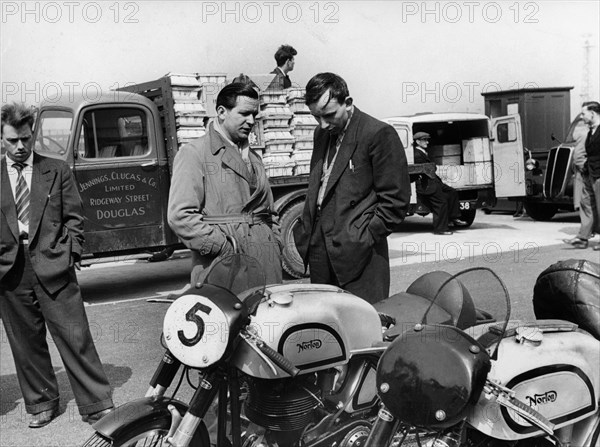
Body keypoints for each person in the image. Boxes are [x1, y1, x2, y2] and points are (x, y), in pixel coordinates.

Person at [0, 102, 114, 428]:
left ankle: (96, 404)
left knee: (74, 335)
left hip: (53, 263)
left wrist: (71, 254)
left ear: (33, 133)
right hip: (10, 269)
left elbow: (75, 218)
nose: (20, 146)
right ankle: (42, 403)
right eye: (11, 141)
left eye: (25, 138)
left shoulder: (56, 169)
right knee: (25, 341)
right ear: (1, 138)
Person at [293, 72, 410, 304]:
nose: (323, 124)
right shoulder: (322, 133)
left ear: (348, 103)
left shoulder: (377, 134)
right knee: (327, 326)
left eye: (329, 115)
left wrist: (363, 237)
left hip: (360, 255)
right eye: (316, 117)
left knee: (361, 328)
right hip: (320, 250)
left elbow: (395, 202)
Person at [168, 82, 283, 286]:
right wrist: (223, 247)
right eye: (244, 114)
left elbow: (269, 212)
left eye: (254, 115)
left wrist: (274, 242)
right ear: (221, 112)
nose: (251, 121)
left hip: (266, 263)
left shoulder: (254, 157)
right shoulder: (194, 153)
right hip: (223, 267)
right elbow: (180, 216)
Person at [412, 132, 468, 235]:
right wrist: (433, 167)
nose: (427, 142)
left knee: (452, 192)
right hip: (427, 185)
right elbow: (429, 168)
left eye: (427, 140)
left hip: (434, 181)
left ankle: (453, 217)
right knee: (441, 203)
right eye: (424, 140)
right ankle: (440, 229)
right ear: (417, 141)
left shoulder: (422, 152)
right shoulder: (417, 154)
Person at [564, 101, 600, 250]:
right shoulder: (591, 131)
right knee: (586, 204)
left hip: (598, 175)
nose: (582, 117)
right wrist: (584, 168)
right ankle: (582, 238)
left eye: (584, 114)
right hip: (589, 173)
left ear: (593, 113)